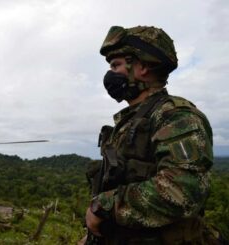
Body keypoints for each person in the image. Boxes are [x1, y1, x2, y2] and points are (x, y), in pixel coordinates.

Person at [85, 26, 215, 244]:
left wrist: (106, 206)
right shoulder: (131, 122)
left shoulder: (176, 117)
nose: (110, 74)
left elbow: (183, 190)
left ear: (143, 66)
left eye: (116, 65)